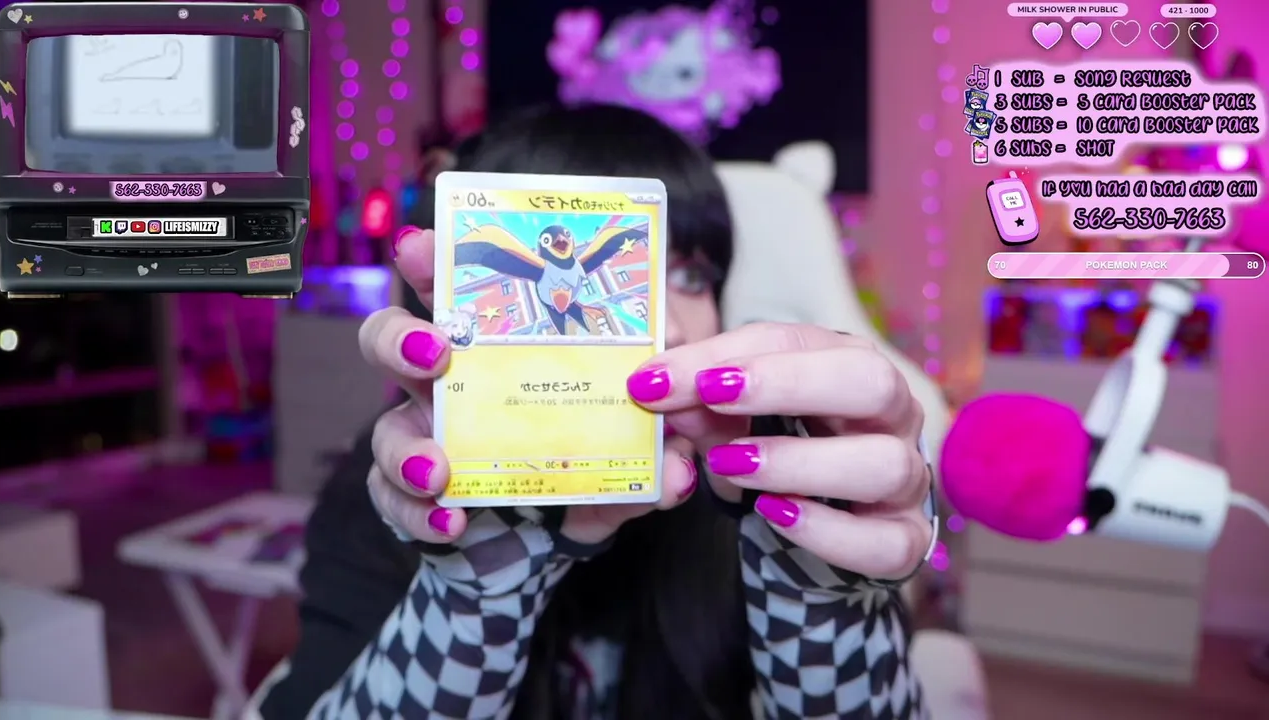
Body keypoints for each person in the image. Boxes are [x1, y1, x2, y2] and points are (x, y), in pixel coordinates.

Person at [262, 105, 935, 720]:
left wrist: (824, 603)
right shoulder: (397, 488)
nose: (667, 328)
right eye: (629, 272)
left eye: (693, 276)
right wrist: (471, 597)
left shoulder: (760, 488)